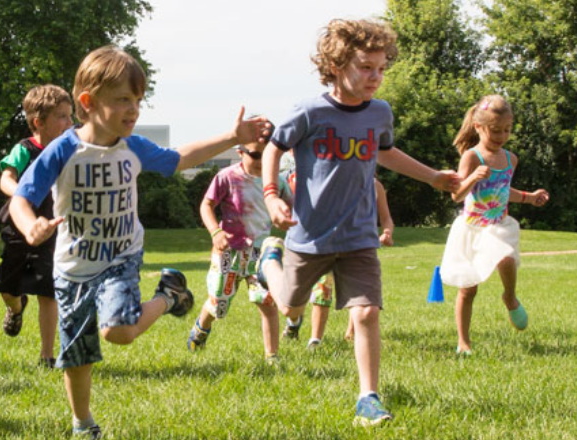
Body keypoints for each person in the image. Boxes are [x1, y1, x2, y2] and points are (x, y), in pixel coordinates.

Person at [9, 45, 271, 439]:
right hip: (72, 267)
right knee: (77, 354)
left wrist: (231, 136)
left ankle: (167, 297)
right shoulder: (63, 149)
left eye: (138, 100)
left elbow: (179, 157)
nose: (134, 110)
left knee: (119, 332)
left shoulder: (132, 147)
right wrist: (30, 227)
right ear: (88, 102)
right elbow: (21, 198)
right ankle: (83, 424)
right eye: (123, 100)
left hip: (121, 256)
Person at [257, 19, 459, 426]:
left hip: (359, 234)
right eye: (367, 67)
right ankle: (269, 264)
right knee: (290, 305)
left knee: (366, 313)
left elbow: (386, 154)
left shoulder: (380, 113)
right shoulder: (309, 112)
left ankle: (368, 397)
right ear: (335, 65)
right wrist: (271, 194)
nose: (376, 77)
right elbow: (274, 148)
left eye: (382, 68)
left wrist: (433, 176)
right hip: (309, 235)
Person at [439, 95, 549, 356]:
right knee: (468, 288)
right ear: (478, 127)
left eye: (507, 130)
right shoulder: (472, 157)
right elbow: (457, 195)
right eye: (495, 130)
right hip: (472, 228)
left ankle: (509, 297)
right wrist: (473, 177)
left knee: (507, 258)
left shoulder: (511, 159)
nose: (501, 136)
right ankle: (463, 341)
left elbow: (502, 189)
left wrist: (528, 197)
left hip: (498, 225)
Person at [187, 131, 293, 364]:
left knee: (267, 302)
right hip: (229, 253)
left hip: (260, 254)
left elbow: (292, 207)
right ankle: (200, 330)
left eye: (267, 156)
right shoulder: (227, 177)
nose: (261, 161)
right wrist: (216, 232)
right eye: (256, 155)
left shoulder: (276, 182)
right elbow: (207, 205)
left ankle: (272, 356)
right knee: (218, 303)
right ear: (240, 152)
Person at [0, 85, 73, 368]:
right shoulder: (24, 148)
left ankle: (47, 356)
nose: (70, 123)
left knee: (47, 290)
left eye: (70, 116)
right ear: (39, 122)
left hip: (53, 226)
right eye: (63, 117)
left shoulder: (69, 150)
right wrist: (20, 194)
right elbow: (6, 178)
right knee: (8, 287)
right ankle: (15, 309)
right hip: (19, 225)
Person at [304, 178, 395, 348]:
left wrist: (387, 232)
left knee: (358, 295)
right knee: (322, 289)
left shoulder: (375, 186)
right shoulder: (334, 179)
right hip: (329, 245)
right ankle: (315, 338)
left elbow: (386, 218)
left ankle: (352, 332)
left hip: (360, 246)